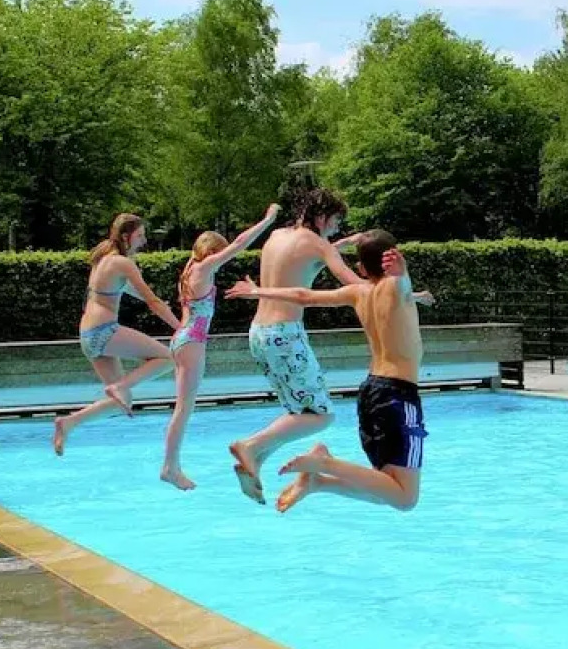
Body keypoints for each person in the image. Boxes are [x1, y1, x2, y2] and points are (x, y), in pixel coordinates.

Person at [230, 231, 428, 514]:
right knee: (405, 499)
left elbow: (302, 296)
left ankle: (319, 481)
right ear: (395, 260)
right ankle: (323, 464)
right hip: (398, 396)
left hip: (372, 392)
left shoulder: (358, 292)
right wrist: (403, 272)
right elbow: (399, 284)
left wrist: (256, 291)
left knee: (385, 488)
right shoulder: (397, 288)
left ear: (360, 269)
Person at [220, 189, 366, 502]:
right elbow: (351, 281)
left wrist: (342, 244)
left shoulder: (277, 237)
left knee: (296, 411)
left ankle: (255, 462)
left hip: (259, 333)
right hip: (285, 335)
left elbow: (303, 263)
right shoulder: (316, 243)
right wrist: (395, 292)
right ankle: (251, 446)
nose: (336, 230)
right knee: (321, 415)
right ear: (322, 216)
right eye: (336, 222)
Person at [160, 203, 282, 490]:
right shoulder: (203, 268)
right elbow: (240, 243)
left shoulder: (188, 269)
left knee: (183, 407)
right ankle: (169, 467)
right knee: (183, 408)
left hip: (182, 338)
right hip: (191, 341)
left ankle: (171, 465)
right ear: (213, 251)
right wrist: (267, 220)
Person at [54, 213, 180, 456]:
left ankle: (68, 423)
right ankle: (121, 385)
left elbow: (133, 291)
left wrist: (157, 302)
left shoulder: (104, 259)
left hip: (90, 335)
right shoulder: (123, 262)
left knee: (122, 403)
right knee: (169, 357)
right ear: (126, 236)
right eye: (140, 235)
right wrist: (180, 327)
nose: (143, 241)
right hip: (104, 331)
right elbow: (153, 302)